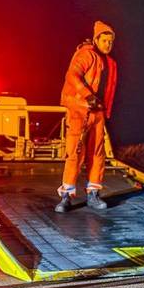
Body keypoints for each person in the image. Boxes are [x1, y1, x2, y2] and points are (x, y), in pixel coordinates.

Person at [56, 20, 119, 212]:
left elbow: (109, 90)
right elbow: (72, 75)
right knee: (75, 152)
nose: (108, 44)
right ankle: (66, 195)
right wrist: (87, 95)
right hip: (80, 110)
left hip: (97, 113)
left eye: (111, 41)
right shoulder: (86, 55)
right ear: (96, 40)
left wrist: (105, 112)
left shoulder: (111, 64)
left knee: (97, 154)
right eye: (105, 40)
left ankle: (93, 193)